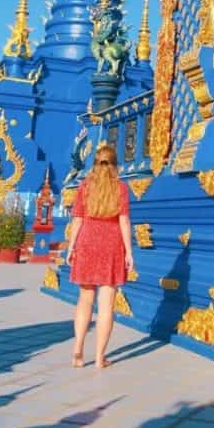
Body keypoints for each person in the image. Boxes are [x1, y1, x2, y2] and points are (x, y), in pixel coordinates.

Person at [66, 142, 134, 368]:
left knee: (85, 299)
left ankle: (77, 350)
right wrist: (129, 251)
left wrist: (71, 247)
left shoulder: (85, 186)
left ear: (94, 164)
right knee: (106, 306)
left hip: (87, 242)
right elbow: (124, 221)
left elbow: (77, 219)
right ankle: (98, 357)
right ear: (115, 165)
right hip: (111, 245)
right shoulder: (120, 188)